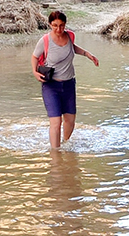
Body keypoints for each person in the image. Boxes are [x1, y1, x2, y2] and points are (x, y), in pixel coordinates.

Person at [31, 10, 99, 151]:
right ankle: (55, 155)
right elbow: (35, 57)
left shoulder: (69, 36)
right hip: (51, 86)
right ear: (50, 24)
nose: (58, 29)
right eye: (55, 25)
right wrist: (35, 72)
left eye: (61, 25)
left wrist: (87, 54)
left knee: (70, 121)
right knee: (56, 123)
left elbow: (72, 48)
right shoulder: (44, 41)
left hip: (69, 84)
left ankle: (65, 145)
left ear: (65, 25)